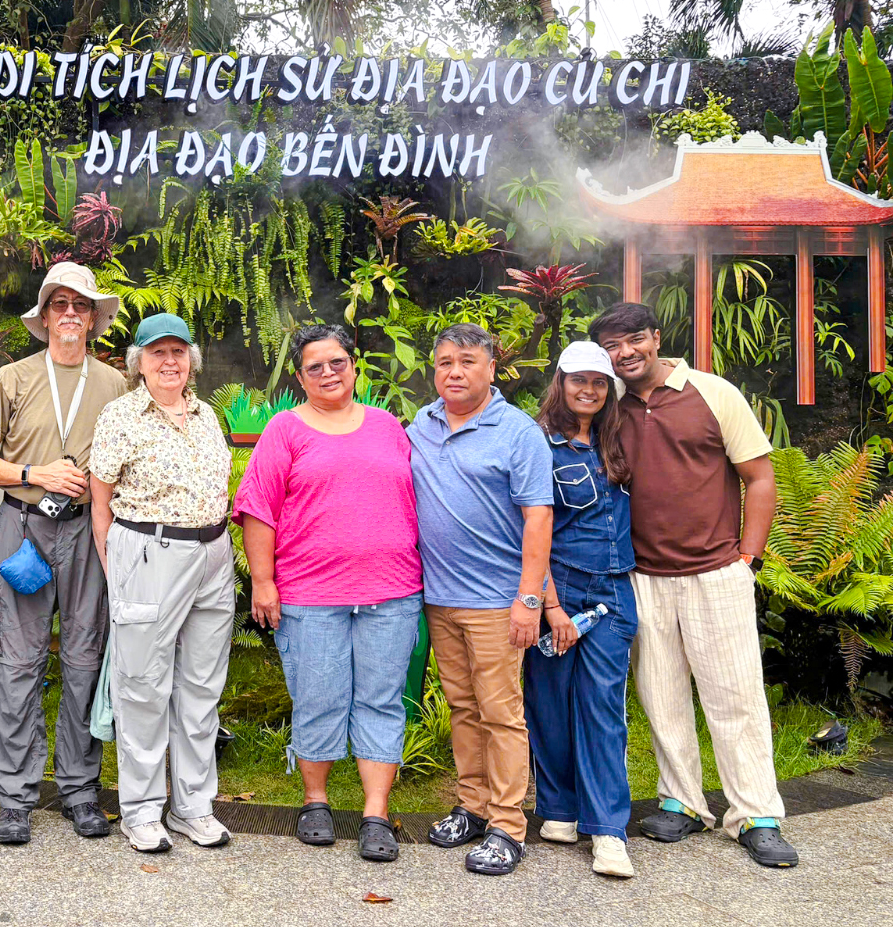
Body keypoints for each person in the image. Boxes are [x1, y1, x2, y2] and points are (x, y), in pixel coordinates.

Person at [590, 302, 794, 867]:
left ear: (656, 337)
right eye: (612, 346)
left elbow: (758, 477)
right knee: (661, 696)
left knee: (736, 697)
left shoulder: (712, 392)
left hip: (715, 571)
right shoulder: (609, 408)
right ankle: (681, 802)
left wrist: (748, 557)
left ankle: (755, 813)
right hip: (642, 576)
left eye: (633, 339)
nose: (625, 353)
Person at [233, 324, 423, 862]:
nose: (328, 373)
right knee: (319, 697)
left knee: (381, 701)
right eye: (314, 367)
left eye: (336, 362)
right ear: (300, 378)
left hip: (391, 591)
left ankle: (374, 813)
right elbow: (257, 508)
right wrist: (264, 582)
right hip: (310, 594)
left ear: (353, 364)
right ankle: (315, 800)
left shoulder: (389, 427)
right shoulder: (285, 430)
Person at [0, 262, 127, 845]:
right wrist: (36, 473)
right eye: (59, 303)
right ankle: (15, 795)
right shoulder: (11, 379)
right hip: (25, 528)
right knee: (18, 662)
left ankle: (81, 790)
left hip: (89, 533)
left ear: (92, 319)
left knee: (86, 658)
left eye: (79, 305)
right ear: (45, 315)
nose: (69, 314)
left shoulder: (115, 385)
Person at [407, 322, 553, 876]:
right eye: (444, 362)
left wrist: (530, 600)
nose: (455, 372)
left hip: (498, 601)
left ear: (492, 369)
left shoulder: (517, 432)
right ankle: (471, 805)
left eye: (467, 361)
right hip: (439, 598)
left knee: (501, 712)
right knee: (464, 708)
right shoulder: (420, 425)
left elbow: (538, 517)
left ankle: (507, 825)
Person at [89, 313, 235, 854]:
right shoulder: (121, 416)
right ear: (139, 363)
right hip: (149, 552)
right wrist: (116, 568)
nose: (169, 362)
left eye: (178, 352)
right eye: (157, 353)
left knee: (201, 687)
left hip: (214, 556)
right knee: (144, 686)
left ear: (191, 360)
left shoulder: (206, 414)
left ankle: (193, 806)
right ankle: (143, 811)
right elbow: (100, 500)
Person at [525, 341, 639, 878]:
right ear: (561, 383)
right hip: (560, 588)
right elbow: (531, 532)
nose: (589, 390)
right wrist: (549, 606)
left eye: (599, 382)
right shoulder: (539, 446)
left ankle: (608, 830)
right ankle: (558, 807)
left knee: (602, 708)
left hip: (614, 589)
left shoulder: (618, 441)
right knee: (548, 702)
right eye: (579, 381)